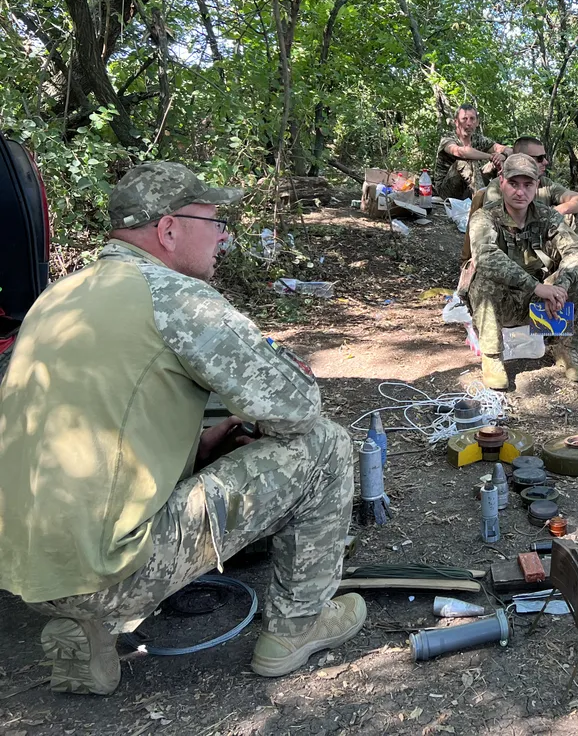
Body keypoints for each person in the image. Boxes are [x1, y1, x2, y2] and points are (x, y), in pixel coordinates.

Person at [0, 162, 365, 695]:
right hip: (112, 570)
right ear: (169, 230)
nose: (224, 236)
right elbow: (298, 404)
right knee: (325, 444)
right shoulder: (175, 297)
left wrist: (200, 446)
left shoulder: (60, 296)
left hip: (27, 572)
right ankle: (299, 624)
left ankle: (85, 627)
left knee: (210, 443)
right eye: (215, 222)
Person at [467, 153, 578, 391]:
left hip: (540, 306)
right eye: (514, 184)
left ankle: (567, 349)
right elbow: (486, 256)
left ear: (537, 185)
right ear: (501, 181)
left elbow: (575, 251)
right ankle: (493, 356)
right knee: (483, 276)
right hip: (502, 304)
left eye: (528, 185)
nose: (520, 192)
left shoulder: (547, 216)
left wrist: (560, 288)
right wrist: (538, 288)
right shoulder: (485, 217)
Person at [460, 136, 578, 266]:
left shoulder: (545, 185)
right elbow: (497, 225)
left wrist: (554, 213)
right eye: (539, 158)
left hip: (538, 247)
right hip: (507, 253)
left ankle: (574, 267)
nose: (545, 162)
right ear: (522, 159)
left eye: (528, 185)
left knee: (577, 217)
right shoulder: (499, 187)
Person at [434, 103, 511, 199]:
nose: (469, 123)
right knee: (464, 163)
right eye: (464, 119)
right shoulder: (448, 138)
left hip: (469, 187)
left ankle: (503, 199)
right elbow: (462, 152)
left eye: (472, 119)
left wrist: (502, 155)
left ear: (477, 122)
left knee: (499, 162)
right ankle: (480, 202)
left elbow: (508, 150)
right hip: (446, 190)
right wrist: (490, 156)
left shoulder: (478, 139)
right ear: (456, 122)